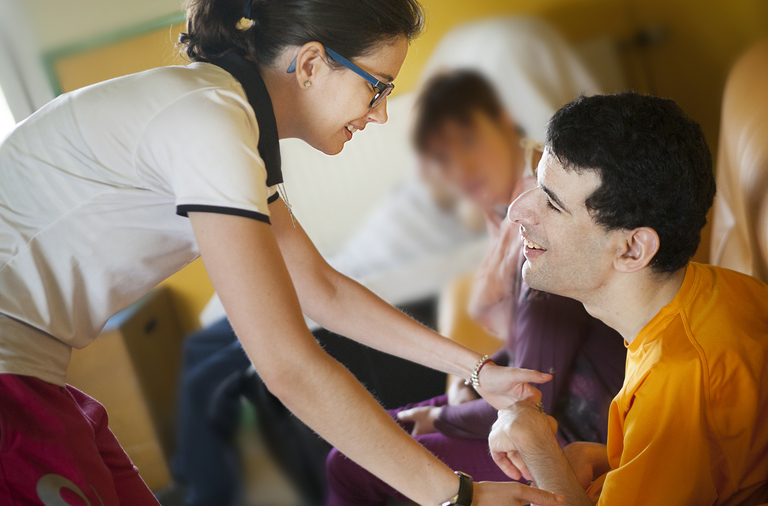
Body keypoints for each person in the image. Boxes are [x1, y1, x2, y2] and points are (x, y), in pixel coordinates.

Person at [0, 0, 568, 504]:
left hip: (37, 373)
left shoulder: (224, 116)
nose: (382, 113)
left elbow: (321, 290)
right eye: (378, 86)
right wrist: (456, 496)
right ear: (313, 63)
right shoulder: (208, 123)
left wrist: (476, 369)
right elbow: (287, 367)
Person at [324, 70, 627, 506]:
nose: (460, 168)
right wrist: (480, 374)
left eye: (467, 141)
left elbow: (536, 393)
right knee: (357, 443)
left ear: (504, 123)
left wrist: (441, 415)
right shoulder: (508, 223)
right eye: (442, 158)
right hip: (546, 412)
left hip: (573, 436)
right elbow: (530, 351)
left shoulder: (542, 227)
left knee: (350, 464)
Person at [488, 93, 768, 506]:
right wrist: (614, 461)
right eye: (537, 185)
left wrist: (536, 444)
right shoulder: (709, 291)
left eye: (552, 203)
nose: (517, 211)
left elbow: (684, 415)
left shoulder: (678, 377)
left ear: (632, 250)